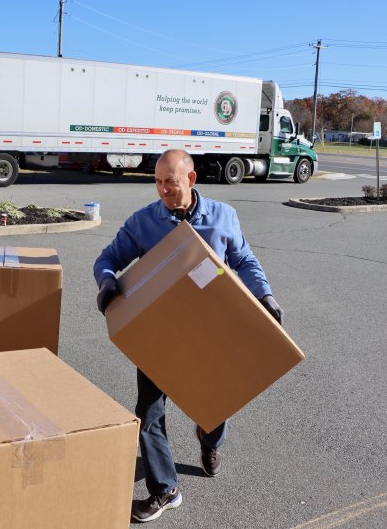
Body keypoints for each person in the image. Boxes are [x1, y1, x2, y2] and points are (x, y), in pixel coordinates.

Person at [93, 149, 284, 524]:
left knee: (214, 405)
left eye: (172, 182)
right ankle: (165, 490)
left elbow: (244, 260)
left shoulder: (223, 217)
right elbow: (107, 258)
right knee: (147, 413)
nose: (164, 190)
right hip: (160, 334)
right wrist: (107, 283)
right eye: (159, 182)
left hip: (214, 330)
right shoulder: (143, 222)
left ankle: (210, 440)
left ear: (191, 180)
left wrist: (265, 295)